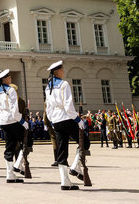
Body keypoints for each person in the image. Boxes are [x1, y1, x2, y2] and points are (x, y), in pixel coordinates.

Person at [44, 60, 85, 190]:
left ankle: (65, 181)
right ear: (58, 71)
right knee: (84, 142)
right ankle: (75, 167)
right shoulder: (64, 84)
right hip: (66, 118)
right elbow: (68, 105)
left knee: (61, 150)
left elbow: (48, 107)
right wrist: (78, 119)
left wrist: (51, 120)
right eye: (62, 69)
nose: (64, 71)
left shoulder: (48, 86)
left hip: (56, 120)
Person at [0, 69, 26, 183]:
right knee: (26, 141)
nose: (10, 79)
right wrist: (22, 122)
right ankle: (18, 165)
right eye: (9, 77)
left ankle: (10, 174)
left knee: (10, 146)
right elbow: (14, 109)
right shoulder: (11, 90)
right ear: (5, 79)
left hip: (3, 121)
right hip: (12, 120)